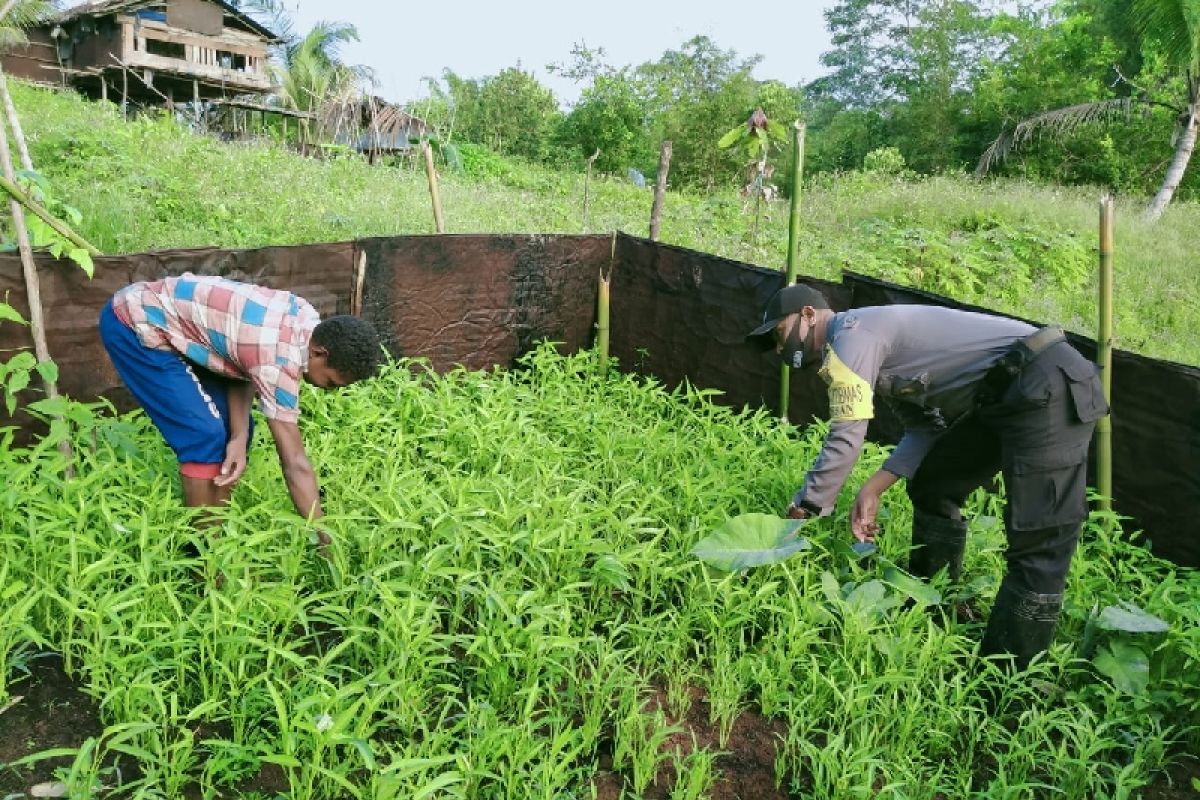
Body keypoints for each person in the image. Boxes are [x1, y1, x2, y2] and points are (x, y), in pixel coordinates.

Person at [747, 283, 1108, 669]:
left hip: (1045, 380)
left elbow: (846, 435)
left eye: (779, 334)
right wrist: (873, 488)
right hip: (1000, 397)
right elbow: (924, 429)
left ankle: (1009, 679)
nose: (780, 349)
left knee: (1040, 537)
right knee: (936, 482)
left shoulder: (850, 336)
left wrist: (805, 508)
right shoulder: (863, 349)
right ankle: (932, 599)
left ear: (807, 315)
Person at [99, 273, 382, 542]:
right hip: (133, 323)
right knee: (204, 435)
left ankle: (218, 532)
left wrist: (237, 436)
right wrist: (325, 541)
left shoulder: (305, 320)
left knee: (239, 432)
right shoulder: (277, 362)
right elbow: (294, 464)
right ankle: (205, 556)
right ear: (320, 353)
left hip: (176, 325)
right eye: (331, 383)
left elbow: (245, 366)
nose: (328, 390)